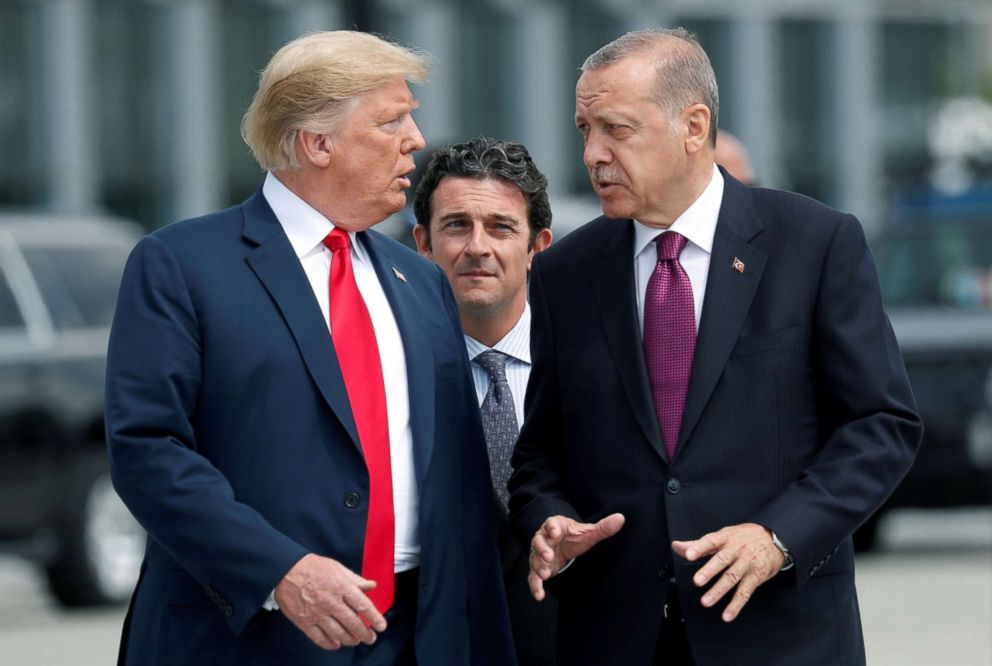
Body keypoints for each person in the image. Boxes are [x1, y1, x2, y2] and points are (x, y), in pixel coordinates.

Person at [508, 28, 922, 666]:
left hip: (781, 632)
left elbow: (880, 424)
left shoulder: (813, 244)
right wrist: (549, 517)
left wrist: (778, 536)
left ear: (693, 125)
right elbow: (541, 453)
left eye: (616, 129)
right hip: (617, 637)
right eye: (584, 129)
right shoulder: (565, 272)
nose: (593, 154)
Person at [105, 31, 514, 666]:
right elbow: (147, 451)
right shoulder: (180, 265)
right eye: (392, 120)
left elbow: (456, 475)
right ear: (317, 143)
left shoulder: (422, 281)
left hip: (416, 636)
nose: (415, 139)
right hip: (248, 635)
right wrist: (279, 570)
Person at [411, 137, 555, 666]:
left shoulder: (595, 361)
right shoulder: (389, 371)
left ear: (538, 245)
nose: (477, 246)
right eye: (456, 226)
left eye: (500, 227)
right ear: (422, 243)